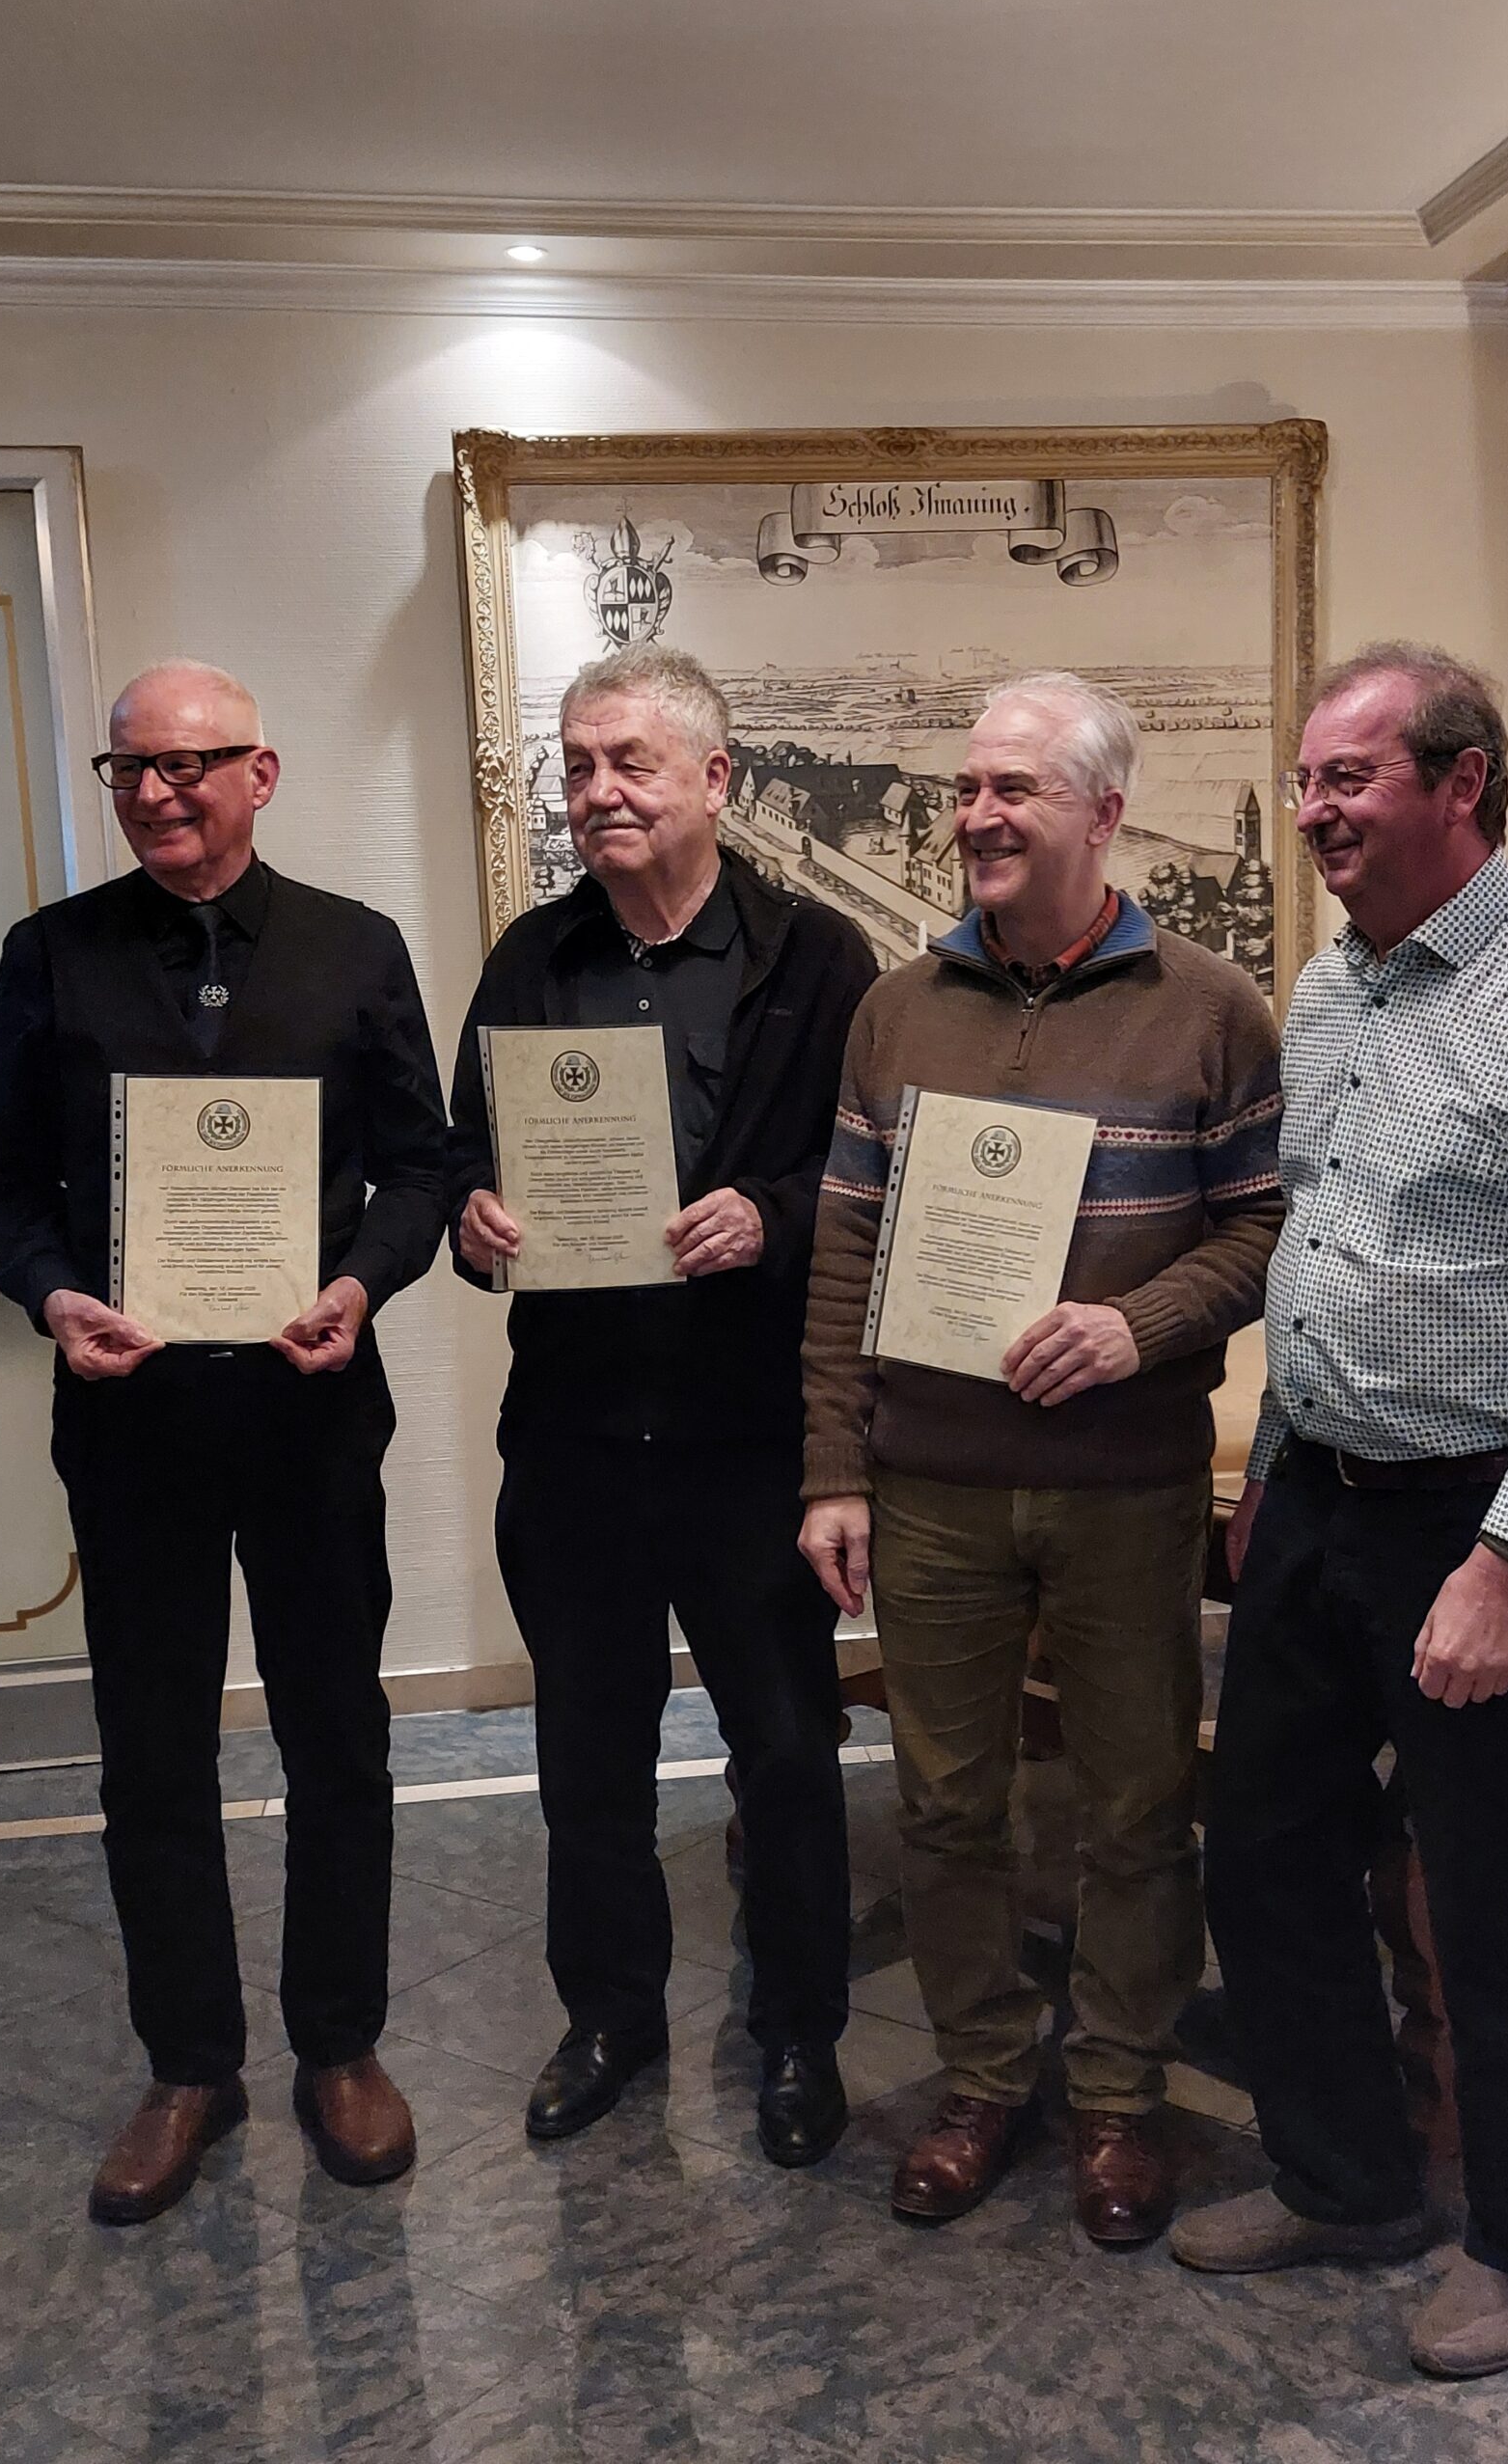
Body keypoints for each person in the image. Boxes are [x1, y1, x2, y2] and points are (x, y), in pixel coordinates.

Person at [1171, 644, 1508, 2377]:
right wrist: (1274, 1469)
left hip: (1485, 1515)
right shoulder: (1335, 990)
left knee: (1488, 1901)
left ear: (1463, 782)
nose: (1315, 810)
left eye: (1351, 777)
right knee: (1263, 1852)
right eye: (1307, 780)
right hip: (1320, 1495)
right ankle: (1348, 2184)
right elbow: (1324, 1247)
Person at [799, 671, 1282, 2243]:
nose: (977, 816)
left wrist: (1137, 1328)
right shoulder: (895, 1009)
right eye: (967, 789)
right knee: (948, 1807)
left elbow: (1264, 1229)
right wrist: (833, 1471)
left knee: (1137, 1809)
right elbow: (844, 1253)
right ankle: (984, 2078)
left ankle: (1121, 2096)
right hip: (931, 1485)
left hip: (1128, 1486)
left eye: (1015, 789)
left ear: (1103, 812)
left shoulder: (1212, 1008)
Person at [0, 659, 448, 2223]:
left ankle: (341, 2046)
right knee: (153, 1752)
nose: (159, 792)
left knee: (337, 1736)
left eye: (191, 763)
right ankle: (188, 2065)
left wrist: (360, 1284)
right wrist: (53, 1297)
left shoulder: (354, 948)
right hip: (133, 1424)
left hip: (312, 1413)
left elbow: (420, 1169)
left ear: (262, 773)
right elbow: (12, 1190)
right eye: (132, 769)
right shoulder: (50, 955)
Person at [449, 643, 877, 2168]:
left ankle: (800, 2035)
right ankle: (611, 2018)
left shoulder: (816, 957)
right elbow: (465, 1157)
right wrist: (475, 1220)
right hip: (574, 1435)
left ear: (717, 778)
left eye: (631, 761)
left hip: (749, 1438)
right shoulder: (532, 957)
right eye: (577, 765)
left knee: (787, 1751)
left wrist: (771, 1212)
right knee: (588, 1755)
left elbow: (869, 1171)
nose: (599, 791)